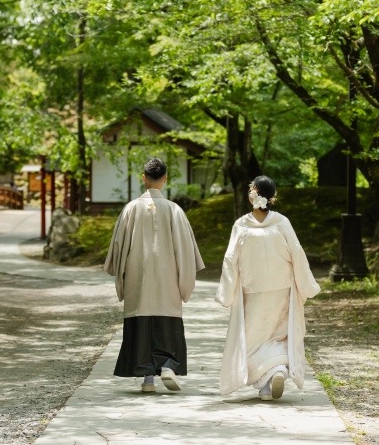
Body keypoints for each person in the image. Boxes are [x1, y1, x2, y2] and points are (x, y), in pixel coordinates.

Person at [104, 157, 205, 393]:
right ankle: (168, 365)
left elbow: (118, 247)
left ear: (144, 178)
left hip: (138, 280)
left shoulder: (131, 209)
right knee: (166, 324)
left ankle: (147, 379)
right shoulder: (174, 210)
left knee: (140, 326)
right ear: (165, 179)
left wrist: (120, 273)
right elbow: (186, 251)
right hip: (167, 279)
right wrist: (184, 280)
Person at [216, 175, 321, 400]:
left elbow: (230, 259)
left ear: (252, 195)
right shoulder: (281, 222)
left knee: (253, 340)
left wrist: (226, 293)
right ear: (272, 197)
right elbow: (297, 253)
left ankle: (268, 380)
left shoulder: (242, 225)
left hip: (252, 291)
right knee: (278, 336)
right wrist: (306, 286)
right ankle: (276, 372)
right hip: (280, 289)